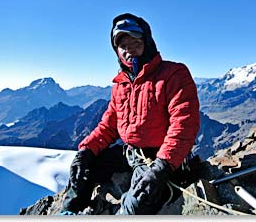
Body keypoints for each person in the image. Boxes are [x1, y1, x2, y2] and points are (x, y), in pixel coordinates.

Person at [61, 13, 200, 215]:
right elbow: (108, 126)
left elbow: (184, 123)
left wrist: (162, 167)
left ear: (147, 41)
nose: (129, 50)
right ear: (116, 51)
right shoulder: (121, 84)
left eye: (135, 42)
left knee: (137, 204)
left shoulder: (173, 74)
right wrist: (86, 151)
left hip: (160, 160)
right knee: (83, 171)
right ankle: (68, 212)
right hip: (132, 153)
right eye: (122, 46)